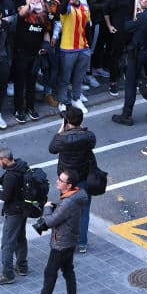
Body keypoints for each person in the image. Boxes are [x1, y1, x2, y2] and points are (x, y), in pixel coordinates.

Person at [22, 168, 88, 294]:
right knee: (68, 271)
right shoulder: (76, 195)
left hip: (61, 244)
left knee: (50, 274)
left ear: (69, 185)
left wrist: (47, 209)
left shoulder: (68, 202)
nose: (57, 181)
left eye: (61, 180)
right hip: (70, 240)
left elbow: (50, 221)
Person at [48, 107, 96, 253]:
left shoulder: (62, 138)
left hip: (67, 180)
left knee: (65, 210)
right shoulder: (89, 136)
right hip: (84, 177)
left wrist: (61, 129)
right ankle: (82, 243)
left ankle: (68, 241)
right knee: (84, 211)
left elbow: (52, 148)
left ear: (67, 121)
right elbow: (91, 143)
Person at [0, 147, 30, 284]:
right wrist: (0, 180)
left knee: (7, 243)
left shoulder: (11, 175)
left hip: (14, 212)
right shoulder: (21, 165)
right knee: (20, 238)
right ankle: (22, 267)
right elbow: (14, 184)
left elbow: (5, 196)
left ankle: (8, 275)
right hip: (24, 208)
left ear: (5, 159)